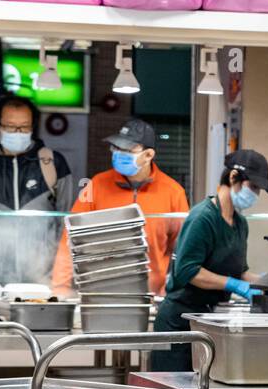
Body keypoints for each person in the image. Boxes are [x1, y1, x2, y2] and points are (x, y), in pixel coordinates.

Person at [149, 149, 268, 372]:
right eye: (253, 187)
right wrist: (234, 285)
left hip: (207, 321)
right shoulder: (203, 217)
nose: (256, 195)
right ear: (233, 178)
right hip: (178, 322)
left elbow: (240, 271)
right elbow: (188, 271)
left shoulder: (239, 224)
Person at [51, 118, 190, 295]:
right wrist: (60, 287)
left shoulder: (173, 192)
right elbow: (70, 239)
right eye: (116, 148)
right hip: (99, 292)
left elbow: (182, 249)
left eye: (127, 150)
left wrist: (169, 290)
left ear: (148, 155)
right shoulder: (96, 185)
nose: (118, 153)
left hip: (152, 295)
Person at [0, 94, 75, 212]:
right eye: (10, 126)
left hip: (44, 231)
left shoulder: (53, 163)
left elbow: (66, 216)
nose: (18, 132)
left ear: (32, 127)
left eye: (24, 126)